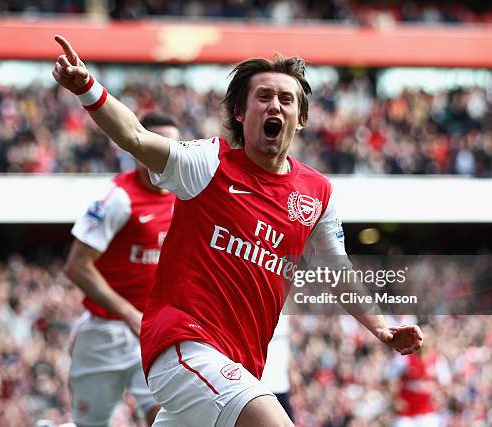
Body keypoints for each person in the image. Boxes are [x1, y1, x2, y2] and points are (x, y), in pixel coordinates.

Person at [52, 34, 423, 427]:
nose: (274, 105)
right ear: (240, 113)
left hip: (241, 362)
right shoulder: (208, 164)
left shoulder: (317, 194)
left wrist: (381, 327)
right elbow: (137, 137)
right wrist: (87, 88)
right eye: (263, 96)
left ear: (302, 119)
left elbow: (337, 270)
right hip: (184, 345)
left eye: (286, 99)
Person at [63, 112, 179, 427]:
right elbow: (76, 267)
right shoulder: (117, 199)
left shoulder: (185, 196)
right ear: (137, 148)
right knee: (90, 423)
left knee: (166, 417)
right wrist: (129, 313)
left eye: (170, 147)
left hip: (156, 330)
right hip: (106, 333)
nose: (162, 155)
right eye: (154, 146)